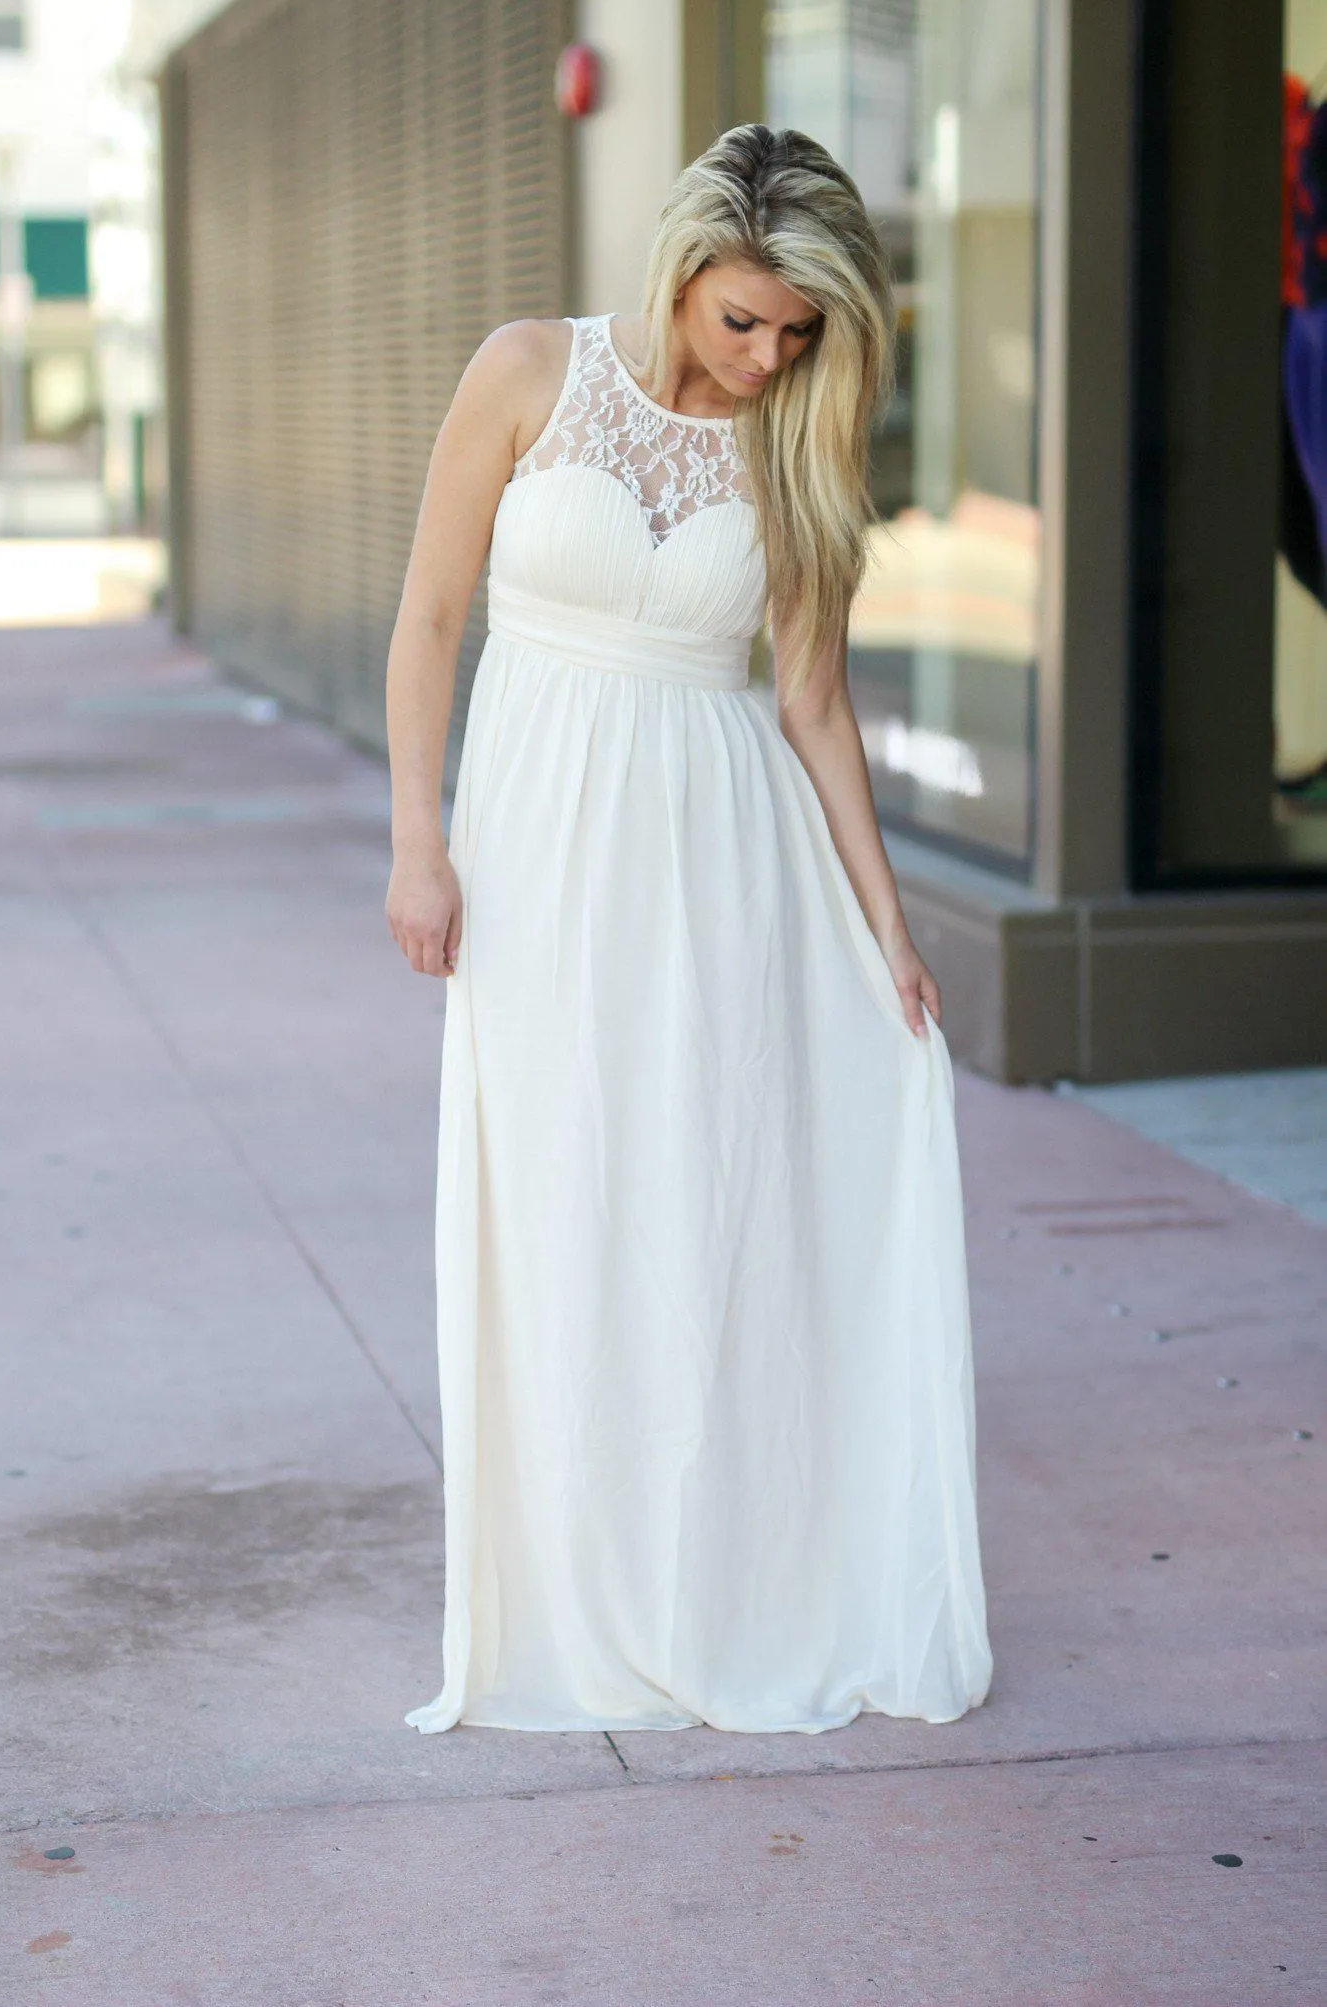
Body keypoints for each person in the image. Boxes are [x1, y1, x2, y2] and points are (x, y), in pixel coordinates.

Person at [385, 124, 992, 1735]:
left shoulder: (791, 442)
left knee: (703, 1204)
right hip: (536, 860)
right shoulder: (526, 373)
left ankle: (714, 1575)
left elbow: (811, 703)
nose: (763, 356)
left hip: (727, 865)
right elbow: (430, 617)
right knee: (560, 1200)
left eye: (796, 334)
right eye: (744, 319)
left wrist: (890, 927)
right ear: (679, 266)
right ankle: (577, 1587)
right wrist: (415, 841)